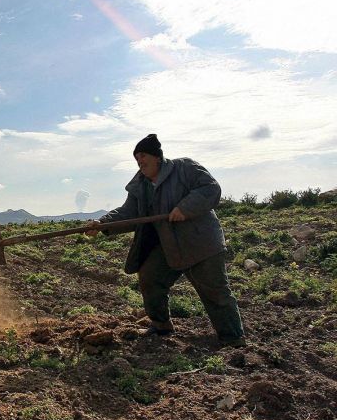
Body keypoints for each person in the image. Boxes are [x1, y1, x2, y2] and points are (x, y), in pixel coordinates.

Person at [86, 134, 245, 347]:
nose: (139, 161)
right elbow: (129, 213)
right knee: (150, 278)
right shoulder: (140, 184)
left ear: (157, 157)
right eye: (136, 158)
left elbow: (211, 189)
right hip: (169, 244)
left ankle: (233, 338)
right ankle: (161, 325)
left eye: (143, 156)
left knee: (215, 292)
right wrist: (103, 223)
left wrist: (185, 208)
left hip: (201, 242)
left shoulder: (184, 168)